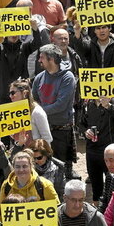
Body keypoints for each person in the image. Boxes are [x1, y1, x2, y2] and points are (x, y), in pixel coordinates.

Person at [32, 43, 78, 178]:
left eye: (42, 57)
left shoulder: (67, 78)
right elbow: (34, 101)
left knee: (61, 168)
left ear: (51, 59)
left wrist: (38, 113)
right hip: (44, 129)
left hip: (61, 130)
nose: (39, 60)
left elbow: (61, 105)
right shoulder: (39, 78)